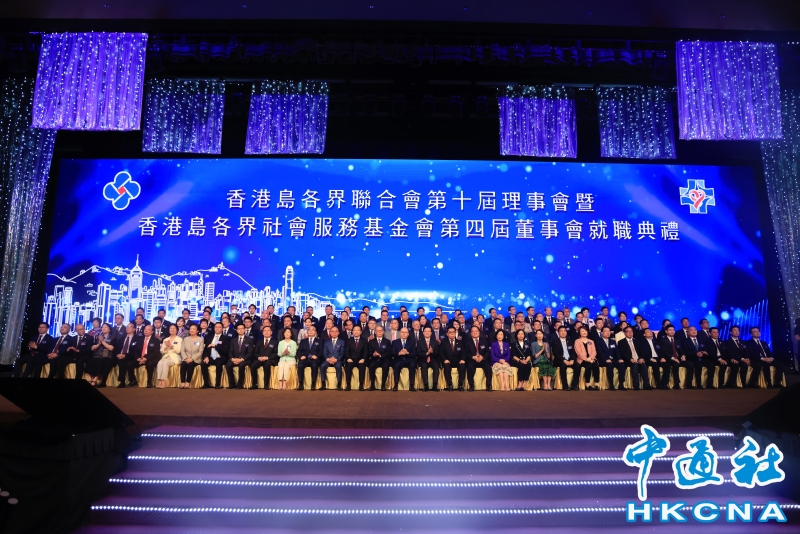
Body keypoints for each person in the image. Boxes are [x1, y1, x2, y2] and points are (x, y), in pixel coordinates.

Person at [201, 323, 230, 389]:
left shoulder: (226, 338)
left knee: (218, 363)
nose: (217, 328)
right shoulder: (209, 338)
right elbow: (205, 350)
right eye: (216, 327)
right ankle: (206, 383)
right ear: (214, 328)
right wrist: (206, 357)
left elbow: (225, 350)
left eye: (219, 327)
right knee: (203, 363)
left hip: (221, 357)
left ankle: (217, 384)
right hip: (210, 357)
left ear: (222, 329)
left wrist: (215, 346)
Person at [226, 323, 254, 389]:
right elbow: (230, 351)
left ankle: (240, 383)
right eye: (239, 329)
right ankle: (231, 383)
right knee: (228, 364)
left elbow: (250, 353)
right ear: (236, 330)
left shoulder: (249, 340)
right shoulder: (233, 340)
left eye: (242, 328)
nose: (241, 330)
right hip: (235, 359)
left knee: (241, 365)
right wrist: (232, 359)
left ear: (245, 330)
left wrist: (241, 359)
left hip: (245, 359)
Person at [617, 326, 645, 391]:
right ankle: (636, 385)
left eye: (631, 331)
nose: (630, 333)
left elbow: (642, 351)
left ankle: (646, 384)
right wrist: (630, 358)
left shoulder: (637, 341)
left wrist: (641, 358)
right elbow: (622, 353)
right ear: (624, 333)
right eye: (628, 331)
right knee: (635, 365)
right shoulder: (621, 342)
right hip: (628, 360)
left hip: (638, 359)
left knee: (643, 365)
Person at [465, 326, 492, 392]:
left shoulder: (484, 341)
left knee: (488, 367)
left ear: (479, 332)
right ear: (470, 333)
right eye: (473, 331)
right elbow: (466, 352)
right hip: (472, 359)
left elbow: (487, 351)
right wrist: (473, 357)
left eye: (476, 331)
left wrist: (482, 357)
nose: (475, 332)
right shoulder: (467, 342)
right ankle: (471, 385)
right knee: (470, 367)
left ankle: (488, 385)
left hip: (482, 359)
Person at [251, 325, 278, 390]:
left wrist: (267, 358)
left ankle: (266, 385)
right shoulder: (259, 342)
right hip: (260, 359)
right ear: (262, 333)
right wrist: (259, 357)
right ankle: (254, 384)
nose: (266, 332)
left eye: (268, 331)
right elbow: (255, 353)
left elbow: (276, 353)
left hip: (270, 360)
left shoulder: (275, 342)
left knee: (267, 365)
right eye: (265, 331)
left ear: (271, 332)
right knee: (253, 365)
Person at [552, 326, 579, 390]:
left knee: (577, 365)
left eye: (564, 331)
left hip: (570, 359)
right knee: (563, 365)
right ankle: (565, 385)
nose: (563, 332)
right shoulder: (555, 342)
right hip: (559, 360)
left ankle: (574, 385)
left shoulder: (570, 341)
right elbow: (556, 354)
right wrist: (564, 360)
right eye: (561, 331)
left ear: (566, 332)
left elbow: (573, 352)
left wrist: (572, 359)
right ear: (558, 332)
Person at [296, 325, 323, 390]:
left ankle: (313, 384)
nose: (311, 331)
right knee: (300, 365)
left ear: (315, 332)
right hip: (305, 359)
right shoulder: (303, 341)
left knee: (314, 365)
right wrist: (300, 356)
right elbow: (299, 351)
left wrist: (317, 356)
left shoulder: (319, 341)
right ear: (307, 332)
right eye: (309, 330)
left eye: (313, 330)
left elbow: (321, 351)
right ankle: (301, 384)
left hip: (314, 359)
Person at [658, 324, 683, 390]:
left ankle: (680, 384)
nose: (672, 331)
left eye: (673, 330)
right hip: (667, 358)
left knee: (689, 364)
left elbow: (681, 349)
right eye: (670, 330)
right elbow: (664, 351)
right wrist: (673, 358)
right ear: (666, 331)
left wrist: (683, 355)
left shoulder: (677, 340)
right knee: (671, 365)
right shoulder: (663, 340)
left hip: (677, 358)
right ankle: (666, 384)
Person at [155, 324, 181, 389]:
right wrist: (166, 347)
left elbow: (178, 351)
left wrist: (171, 346)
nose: (172, 330)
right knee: (160, 362)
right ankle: (159, 380)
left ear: (177, 330)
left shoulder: (180, 339)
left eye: (174, 328)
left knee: (165, 363)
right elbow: (162, 351)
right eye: (171, 328)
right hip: (166, 356)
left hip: (175, 357)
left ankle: (163, 381)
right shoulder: (166, 339)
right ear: (169, 330)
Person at [391, 327, 417, 391]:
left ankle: (411, 385)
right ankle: (396, 385)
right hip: (398, 359)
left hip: (409, 359)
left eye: (405, 332)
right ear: (400, 333)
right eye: (402, 332)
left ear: (408, 334)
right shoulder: (395, 342)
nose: (404, 334)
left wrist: (407, 353)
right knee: (396, 365)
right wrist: (399, 353)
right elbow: (392, 353)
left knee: (412, 365)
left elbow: (414, 353)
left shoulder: (412, 342)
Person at [321, 326, 346, 390]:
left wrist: (336, 359)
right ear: (330, 332)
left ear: (338, 333)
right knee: (322, 366)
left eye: (336, 331)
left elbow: (342, 353)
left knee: (338, 366)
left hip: (338, 360)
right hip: (328, 360)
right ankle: (323, 384)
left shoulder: (342, 342)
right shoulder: (326, 342)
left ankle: (339, 384)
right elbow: (324, 352)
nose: (334, 333)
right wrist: (327, 359)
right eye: (332, 331)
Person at [367, 326, 392, 391]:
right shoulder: (371, 342)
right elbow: (369, 352)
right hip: (374, 359)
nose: (379, 332)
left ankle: (383, 385)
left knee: (386, 366)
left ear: (383, 332)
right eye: (377, 331)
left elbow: (389, 352)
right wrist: (373, 354)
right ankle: (372, 384)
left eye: (380, 331)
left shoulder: (387, 341)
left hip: (384, 359)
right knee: (371, 366)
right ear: (375, 332)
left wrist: (381, 355)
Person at [574, 326, 599, 390]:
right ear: (579, 333)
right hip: (582, 360)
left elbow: (594, 351)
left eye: (585, 331)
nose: (584, 332)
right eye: (582, 331)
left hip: (591, 359)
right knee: (589, 366)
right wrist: (586, 359)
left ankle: (596, 384)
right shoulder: (577, 341)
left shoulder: (591, 341)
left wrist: (591, 358)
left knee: (596, 366)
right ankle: (587, 384)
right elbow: (578, 353)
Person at [416, 325, 440, 392]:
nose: (427, 333)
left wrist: (432, 352)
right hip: (423, 360)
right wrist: (427, 353)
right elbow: (418, 353)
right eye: (425, 331)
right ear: (423, 333)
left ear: (431, 333)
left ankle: (435, 385)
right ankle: (426, 385)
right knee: (424, 366)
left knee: (436, 365)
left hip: (432, 359)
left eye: (429, 331)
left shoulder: (435, 341)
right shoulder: (419, 342)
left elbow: (437, 353)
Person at [344, 324, 368, 391]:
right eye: (354, 330)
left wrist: (363, 359)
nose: (356, 332)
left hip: (360, 359)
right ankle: (348, 385)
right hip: (351, 359)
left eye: (358, 330)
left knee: (362, 366)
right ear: (352, 331)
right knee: (348, 366)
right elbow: (346, 351)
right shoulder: (349, 340)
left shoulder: (364, 340)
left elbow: (366, 351)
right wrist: (348, 358)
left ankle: (361, 385)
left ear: (360, 332)